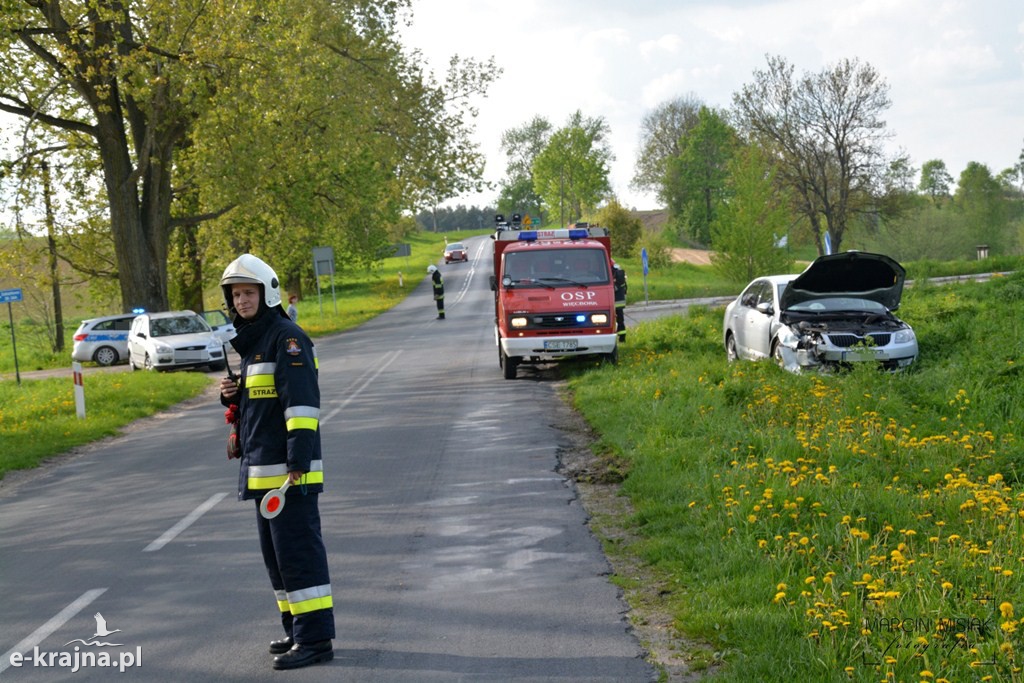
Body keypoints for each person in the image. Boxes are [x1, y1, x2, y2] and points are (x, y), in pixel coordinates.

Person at [217, 254, 335, 671]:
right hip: (264, 473)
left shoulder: (287, 339)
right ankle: (296, 630)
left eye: (248, 293)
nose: (242, 301)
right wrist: (234, 397)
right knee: (277, 559)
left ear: (267, 293)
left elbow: (301, 405)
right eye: (236, 295)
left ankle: (315, 640)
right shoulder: (255, 343)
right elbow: (263, 405)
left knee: (298, 556)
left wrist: (297, 462)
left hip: (288, 475)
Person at [612, 261, 628, 343]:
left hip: (613, 300)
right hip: (620, 300)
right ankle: (622, 337)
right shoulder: (619, 273)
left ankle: (620, 336)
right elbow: (624, 287)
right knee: (620, 319)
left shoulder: (610, 271)